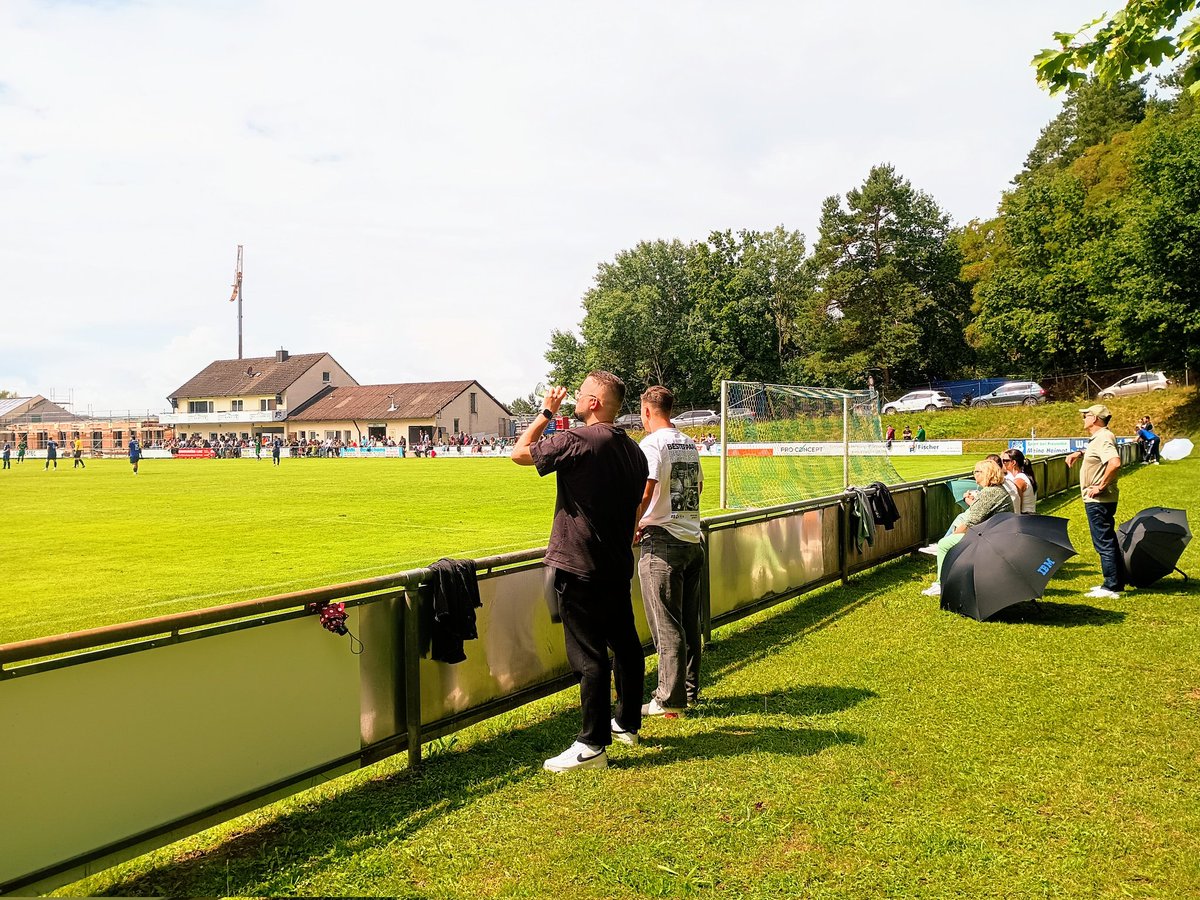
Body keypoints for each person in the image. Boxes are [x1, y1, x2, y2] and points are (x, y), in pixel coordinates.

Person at [511, 371, 648, 773]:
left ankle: (591, 745)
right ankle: (626, 723)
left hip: (580, 566)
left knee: (588, 655)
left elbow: (520, 453)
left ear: (594, 403)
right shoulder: (633, 451)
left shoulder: (580, 440)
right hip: (616, 564)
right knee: (625, 645)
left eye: (582, 394)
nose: (576, 398)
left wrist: (545, 413)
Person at [635, 385, 705, 716]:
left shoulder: (650, 444)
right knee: (689, 625)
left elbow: (646, 489)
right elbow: (698, 486)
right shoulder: (687, 441)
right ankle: (689, 693)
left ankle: (667, 698)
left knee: (666, 625)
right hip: (692, 541)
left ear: (647, 411)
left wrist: (633, 524)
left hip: (662, 543)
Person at [922, 459, 1011, 597]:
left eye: (976, 471)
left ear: (986, 473)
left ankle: (942, 584)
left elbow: (971, 522)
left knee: (944, 544)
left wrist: (954, 533)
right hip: (995, 534)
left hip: (990, 539)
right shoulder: (996, 490)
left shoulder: (989, 493)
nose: (974, 474)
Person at [1066, 404, 1125, 599]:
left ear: (1096, 419)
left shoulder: (1103, 437)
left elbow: (1114, 462)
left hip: (1099, 499)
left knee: (1103, 542)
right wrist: (1080, 453)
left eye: (1087, 415)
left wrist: (1099, 486)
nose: (1083, 417)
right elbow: (1098, 453)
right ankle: (1115, 581)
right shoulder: (1099, 438)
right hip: (1100, 499)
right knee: (1106, 540)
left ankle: (1111, 586)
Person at [999, 447, 1038, 514]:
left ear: (1013, 462)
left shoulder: (1019, 481)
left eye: (1005, 460)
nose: (1003, 463)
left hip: (1025, 517)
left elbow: (1017, 505)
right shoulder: (1022, 476)